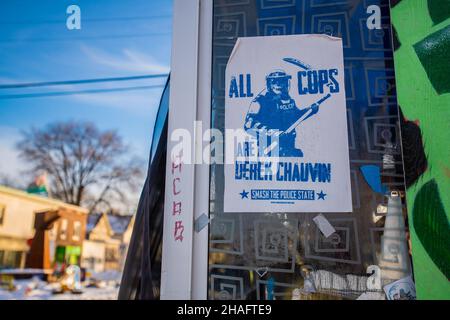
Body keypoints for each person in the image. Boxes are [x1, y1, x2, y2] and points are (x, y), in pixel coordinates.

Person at [244, 70, 319, 157]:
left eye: (282, 81)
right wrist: (273, 133)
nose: (278, 84)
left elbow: (295, 118)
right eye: (274, 82)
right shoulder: (260, 101)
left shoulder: (289, 101)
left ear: (287, 83)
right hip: (269, 150)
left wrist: (310, 110)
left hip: (288, 148)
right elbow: (249, 124)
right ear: (269, 85)